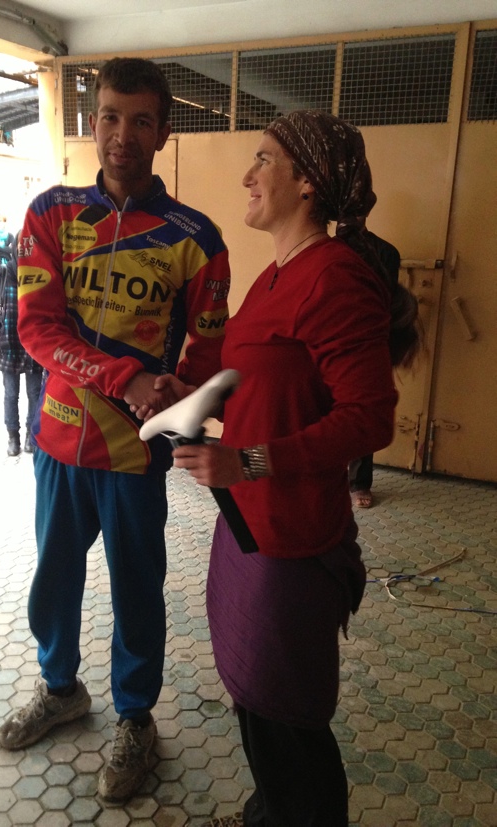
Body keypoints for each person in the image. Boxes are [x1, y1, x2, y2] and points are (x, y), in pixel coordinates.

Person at [172, 110, 417, 827]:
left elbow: (369, 418)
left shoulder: (332, 278)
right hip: (249, 527)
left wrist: (245, 459)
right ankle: (269, 811)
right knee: (258, 701)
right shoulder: (278, 275)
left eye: (264, 159)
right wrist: (187, 392)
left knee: (287, 721)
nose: (248, 175)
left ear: (307, 182)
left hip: (290, 539)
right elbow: (259, 383)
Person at [0, 57, 230, 803]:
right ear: (90, 121)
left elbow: (210, 348)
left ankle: (136, 717)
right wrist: (121, 376)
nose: (121, 134)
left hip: (138, 452)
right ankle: (59, 686)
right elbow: (36, 326)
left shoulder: (197, 237)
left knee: (138, 589)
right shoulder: (50, 213)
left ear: (163, 130)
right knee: (53, 578)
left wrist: (177, 390)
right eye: (108, 116)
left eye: (138, 120)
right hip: (60, 440)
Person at [349, 232, 402, 509]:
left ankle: (359, 482)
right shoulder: (318, 246)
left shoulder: (386, 252)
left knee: (362, 408)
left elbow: (387, 300)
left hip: (365, 337)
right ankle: (322, 478)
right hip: (321, 334)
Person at [0, 233, 43, 456]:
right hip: (9, 345)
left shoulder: (40, 274)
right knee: (11, 394)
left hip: (34, 346)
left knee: (35, 392)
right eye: (21, 245)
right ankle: (13, 437)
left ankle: (30, 435)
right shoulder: (2, 272)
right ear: (15, 247)